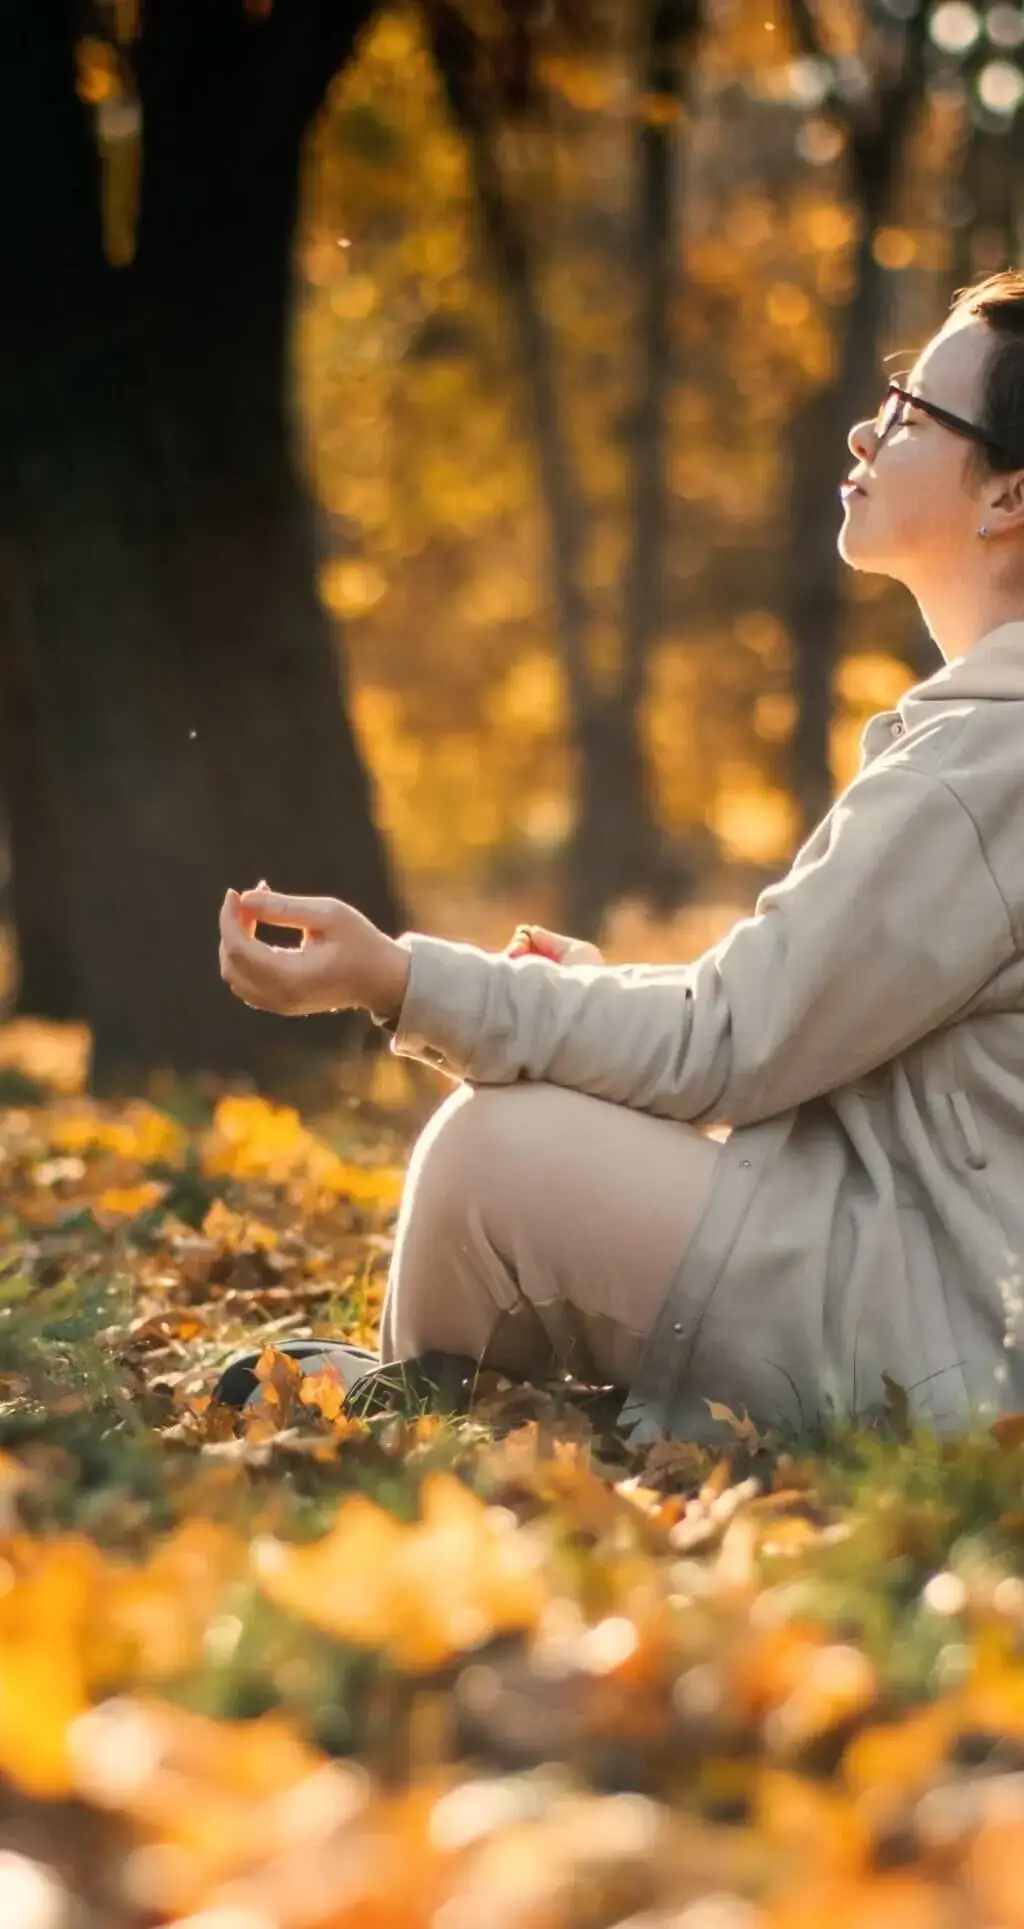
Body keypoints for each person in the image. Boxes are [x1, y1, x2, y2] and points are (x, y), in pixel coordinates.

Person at [219, 270, 1024, 1443]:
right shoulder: (980, 740)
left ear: (1008, 493)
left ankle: (418, 1432)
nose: (866, 425)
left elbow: (727, 1043)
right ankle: (463, 1409)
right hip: (928, 1289)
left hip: (938, 1339)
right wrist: (571, 1000)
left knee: (493, 1156)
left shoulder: (981, 764)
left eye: (909, 410)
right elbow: (793, 1034)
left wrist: (395, 979)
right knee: (526, 1113)